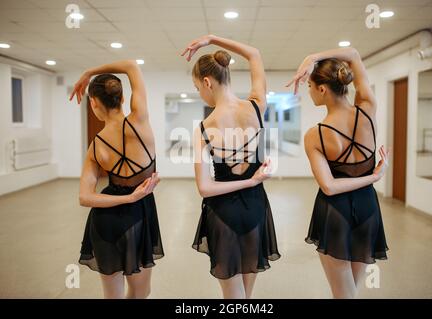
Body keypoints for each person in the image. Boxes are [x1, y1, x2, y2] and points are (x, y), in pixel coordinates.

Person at [182, 34, 281, 299]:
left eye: (197, 87)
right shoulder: (257, 106)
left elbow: (204, 188)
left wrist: (248, 181)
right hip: (257, 209)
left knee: (233, 298)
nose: (200, 93)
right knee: (245, 297)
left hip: (223, 215)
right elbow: (255, 54)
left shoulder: (203, 129)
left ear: (207, 82)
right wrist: (212, 39)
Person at [286, 47, 389, 298]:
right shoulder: (368, 108)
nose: (309, 91)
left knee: (343, 294)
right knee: (351, 292)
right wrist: (313, 58)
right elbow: (354, 54)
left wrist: (374, 177)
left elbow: (329, 187)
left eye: (310, 86)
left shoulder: (315, 135)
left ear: (322, 89)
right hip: (368, 208)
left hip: (336, 213)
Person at [70, 60, 164, 298]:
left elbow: (85, 197)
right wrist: (90, 70)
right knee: (140, 292)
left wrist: (125, 198)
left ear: (93, 103)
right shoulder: (140, 120)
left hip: (105, 222)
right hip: (140, 216)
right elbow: (131, 65)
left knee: (112, 295)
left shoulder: (95, 147)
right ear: (122, 98)